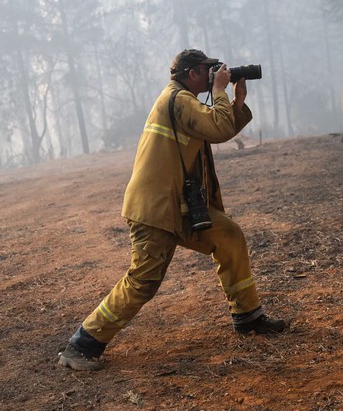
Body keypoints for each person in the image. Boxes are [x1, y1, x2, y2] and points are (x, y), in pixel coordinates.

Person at [58, 49, 285, 371]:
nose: (214, 74)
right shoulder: (178, 100)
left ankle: (248, 316)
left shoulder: (185, 101)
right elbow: (218, 129)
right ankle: (82, 345)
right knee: (143, 280)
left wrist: (235, 102)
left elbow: (216, 129)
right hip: (156, 209)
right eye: (209, 70)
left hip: (181, 206)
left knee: (229, 237)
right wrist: (220, 91)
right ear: (192, 73)